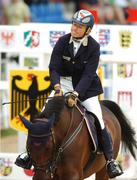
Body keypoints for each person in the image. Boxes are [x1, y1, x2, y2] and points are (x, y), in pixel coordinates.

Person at [15, 9, 123, 179]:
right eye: (74, 24)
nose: (75, 28)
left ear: (88, 30)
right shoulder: (62, 41)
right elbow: (53, 67)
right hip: (62, 85)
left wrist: (77, 93)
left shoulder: (94, 47)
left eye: (80, 26)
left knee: (98, 118)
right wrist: (57, 87)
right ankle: (29, 155)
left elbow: (89, 74)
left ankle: (110, 160)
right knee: (42, 117)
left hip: (86, 90)